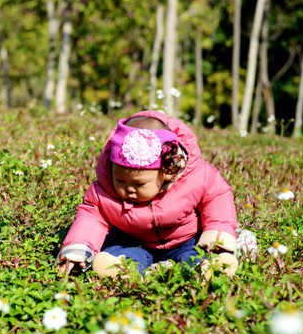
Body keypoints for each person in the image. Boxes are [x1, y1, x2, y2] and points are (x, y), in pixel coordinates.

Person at [57, 110, 238, 279]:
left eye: (139, 184)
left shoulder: (199, 178)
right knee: (120, 250)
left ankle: (207, 268)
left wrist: (218, 237)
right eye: (120, 180)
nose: (129, 189)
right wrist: (78, 250)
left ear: (168, 171)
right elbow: (90, 218)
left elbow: (217, 199)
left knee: (193, 254)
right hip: (134, 239)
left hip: (184, 239)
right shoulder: (103, 192)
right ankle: (122, 269)